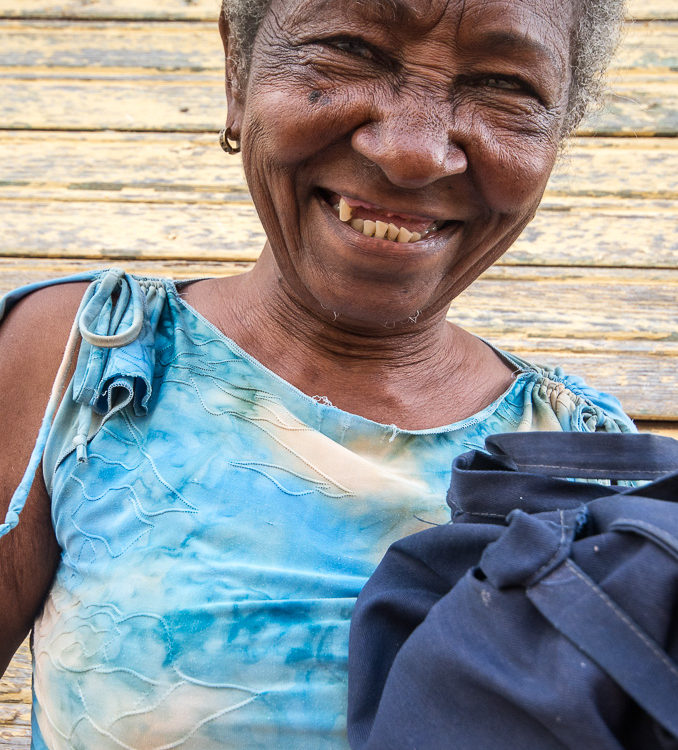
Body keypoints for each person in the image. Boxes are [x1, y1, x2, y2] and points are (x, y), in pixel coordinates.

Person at [0, 0, 634, 747]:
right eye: (349, 50)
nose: (414, 151)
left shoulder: (590, 473)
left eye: (504, 87)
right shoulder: (88, 362)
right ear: (239, 72)